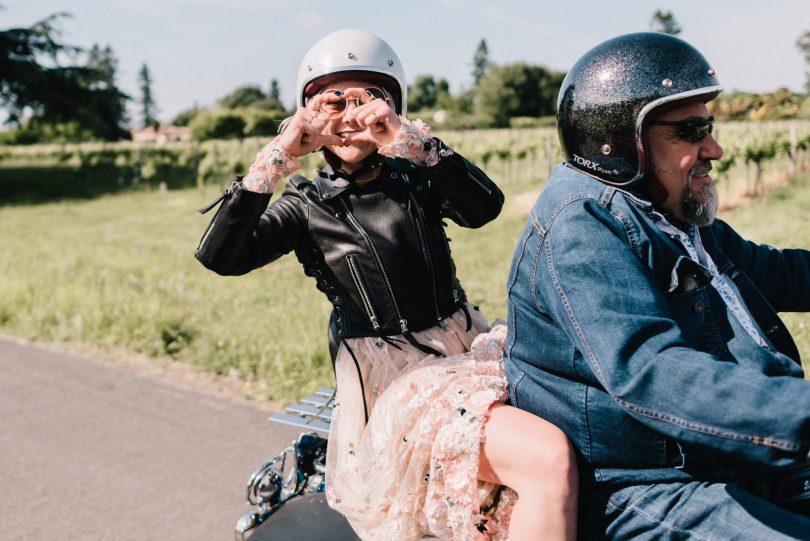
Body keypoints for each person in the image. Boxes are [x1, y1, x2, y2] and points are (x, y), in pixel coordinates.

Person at [196, 29, 577, 540]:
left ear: (391, 106)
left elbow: (484, 207)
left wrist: (411, 143)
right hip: (392, 380)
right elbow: (220, 256)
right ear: (308, 112)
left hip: (464, 346)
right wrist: (279, 154)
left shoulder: (414, 176)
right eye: (332, 102)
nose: (349, 116)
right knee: (531, 461)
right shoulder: (306, 201)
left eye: (365, 99)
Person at [505, 31, 810, 540]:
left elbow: (774, 271)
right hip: (649, 482)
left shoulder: (664, 212)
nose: (714, 148)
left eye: (708, 126)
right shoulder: (583, 225)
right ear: (625, 141)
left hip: (732, 458)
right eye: (691, 130)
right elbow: (652, 370)